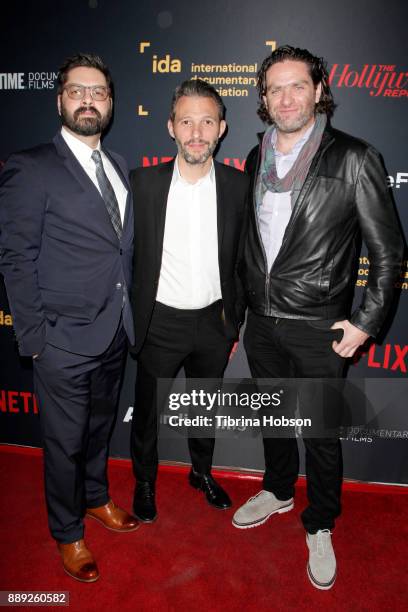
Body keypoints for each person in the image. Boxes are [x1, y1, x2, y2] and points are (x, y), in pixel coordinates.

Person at [232, 45, 403, 590]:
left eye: (297, 86)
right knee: (274, 418)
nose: (286, 97)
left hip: (319, 325)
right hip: (262, 321)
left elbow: (389, 250)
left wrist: (365, 322)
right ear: (263, 98)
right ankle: (279, 489)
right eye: (275, 88)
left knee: (322, 434)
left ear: (318, 91)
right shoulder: (256, 156)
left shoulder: (354, 157)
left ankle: (321, 520)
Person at [0, 53, 139, 583]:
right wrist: (34, 339)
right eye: (77, 91)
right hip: (59, 340)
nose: (88, 100)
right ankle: (68, 532)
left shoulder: (121, 166)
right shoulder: (31, 166)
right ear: (60, 100)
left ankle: (98, 499)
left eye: (98, 92)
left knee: (100, 430)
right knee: (64, 443)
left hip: (113, 331)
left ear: (110, 103)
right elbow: (15, 256)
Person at [129, 79, 249, 522]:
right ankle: (144, 481)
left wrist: (232, 322)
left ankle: (201, 472)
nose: (196, 132)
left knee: (204, 407)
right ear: (170, 128)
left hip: (214, 323)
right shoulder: (142, 184)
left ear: (221, 128)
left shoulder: (239, 187)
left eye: (206, 122)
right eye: (186, 122)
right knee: (147, 415)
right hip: (159, 322)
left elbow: (243, 260)